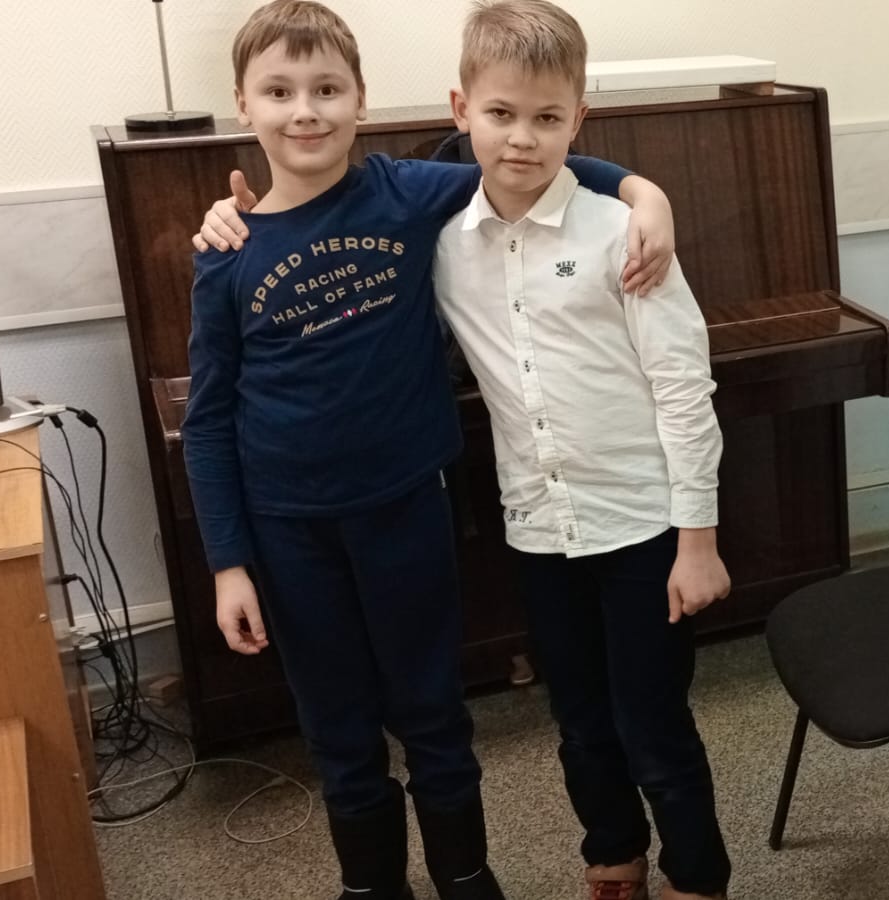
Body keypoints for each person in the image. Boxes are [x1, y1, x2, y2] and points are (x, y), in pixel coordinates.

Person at [182, 3, 676, 898]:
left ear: (360, 100)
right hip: (291, 534)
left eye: (327, 90)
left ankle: (466, 878)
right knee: (339, 731)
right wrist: (228, 563)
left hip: (407, 510)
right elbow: (210, 420)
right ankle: (372, 885)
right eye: (280, 93)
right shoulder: (229, 252)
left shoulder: (407, 192)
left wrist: (647, 195)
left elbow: (537, 157)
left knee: (433, 716)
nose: (306, 111)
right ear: (243, 106)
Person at [430, 2, 733, 898]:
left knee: (653, 724)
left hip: (643, 525)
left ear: (579, 120)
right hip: (539, 528)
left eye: (548, 117)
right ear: (462, 110)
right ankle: (613, 855)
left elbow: (683, 388)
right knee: (579, 723)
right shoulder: (441, 240)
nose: (522, 138)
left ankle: (698, 876)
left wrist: (699, 540)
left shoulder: (621, 233)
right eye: (500, 114)